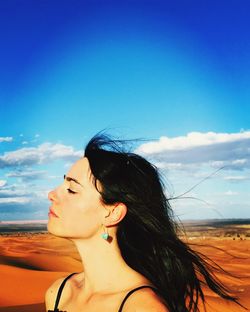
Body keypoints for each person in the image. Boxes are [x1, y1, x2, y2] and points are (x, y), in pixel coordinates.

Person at [45, 133, 240, 312]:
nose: (51, 194)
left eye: (71, 189)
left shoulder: (142, 307)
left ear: (112, 213)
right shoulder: (59, 294)